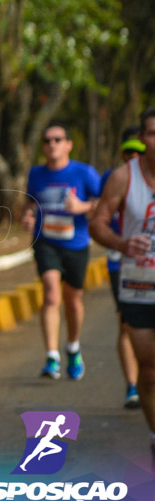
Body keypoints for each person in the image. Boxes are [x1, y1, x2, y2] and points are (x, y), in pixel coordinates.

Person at [91, 108, 155, 449]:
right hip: (139, 280)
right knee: (148, 368)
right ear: (143, 139)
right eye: (153, 133)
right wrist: (121, 242)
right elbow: (97, 222)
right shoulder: (123, 177)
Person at [22, 122, 101, 381]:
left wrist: (83, 207)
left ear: (68, 144)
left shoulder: (84, 172)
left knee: (73, 299)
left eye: (57, 139)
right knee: (51, 294)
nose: (52, 144)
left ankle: (73, 348)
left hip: (76, 242)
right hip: (45, 241)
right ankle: (52, 356)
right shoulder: (36, 174)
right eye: (47, 140)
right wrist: (28, 217)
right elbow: (30, 203)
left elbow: (104, 203)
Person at [101, 128, 145, 408]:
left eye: (137, 151)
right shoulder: (115, 178)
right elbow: (98, 215)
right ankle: (133, 386)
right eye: (127, 151)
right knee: (126, 325)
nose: (133, 156)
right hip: (123, 264)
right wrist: (119, 243)